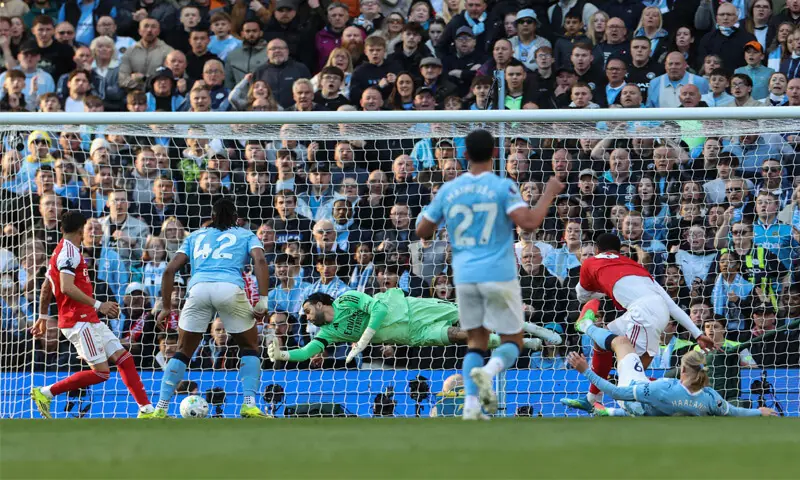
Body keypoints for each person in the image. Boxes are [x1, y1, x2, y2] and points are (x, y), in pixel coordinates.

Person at [415, 129, 564, 420]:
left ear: (465, 155)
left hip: (465, 275)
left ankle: (471, 405)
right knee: (512, 341)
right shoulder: (502, 186)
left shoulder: (450, 189)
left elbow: (422, 230)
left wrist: (441, 215)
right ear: (496, 154)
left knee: (476, 341)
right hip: (498, 272)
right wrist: (548, 193)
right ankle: (488, 371)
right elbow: (530, 223)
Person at [560, 233, 715, 413]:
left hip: (642, 314)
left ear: (596, 250)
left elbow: (582, 296)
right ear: (619, 251)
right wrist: (697, 333)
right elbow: (671, 305)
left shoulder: (590, 262)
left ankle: (690, 399)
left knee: (632, 378)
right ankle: (593, 398)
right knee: (602, 341)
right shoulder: (636, 267)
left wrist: (601, 291)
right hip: (649, 311)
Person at [152, 198, 271, 418]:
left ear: (211, 218)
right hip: (230, 289)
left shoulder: (195, 236)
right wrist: (262, 299)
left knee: (183, 351)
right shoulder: (246, 234)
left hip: (198, 290)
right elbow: (260, 261)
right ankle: (249, 404)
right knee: (250, 346)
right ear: (236, 218)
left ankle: (160, 407)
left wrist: (167, 307)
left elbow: (169, 270)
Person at [30, 210, 155, 418]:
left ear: (61, 228)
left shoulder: (62, 251)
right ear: (81, 230)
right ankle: (45, 393)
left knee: (124, 357)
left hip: (88, 319)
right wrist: (100, 305)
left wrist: (43, 317)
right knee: (101, 372)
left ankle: (147, 410)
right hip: (78, 322)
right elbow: (66, 287)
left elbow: (46, 286)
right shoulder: (69, 253)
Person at [268, 290, 560, 364]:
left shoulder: (347, 299)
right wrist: (284, 356)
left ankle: (533, 329)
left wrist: (365, 340)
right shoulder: (328, 333)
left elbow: (379, 308)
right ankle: (524, 342)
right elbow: (307, 352)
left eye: (307, 311)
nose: (306, 317)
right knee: (466, 337)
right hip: (411, 335)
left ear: (319, 304)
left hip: (413, 309)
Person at [565, 335, 776, 417]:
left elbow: (616, 391)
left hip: (633, 398)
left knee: (620, 341)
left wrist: (585, 369)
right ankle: (601, 411)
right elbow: (735, 412)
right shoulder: (711, 397)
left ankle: (586, 325)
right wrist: (760, 411)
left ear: (682, 370)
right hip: (648, 414)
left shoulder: (663, 387)